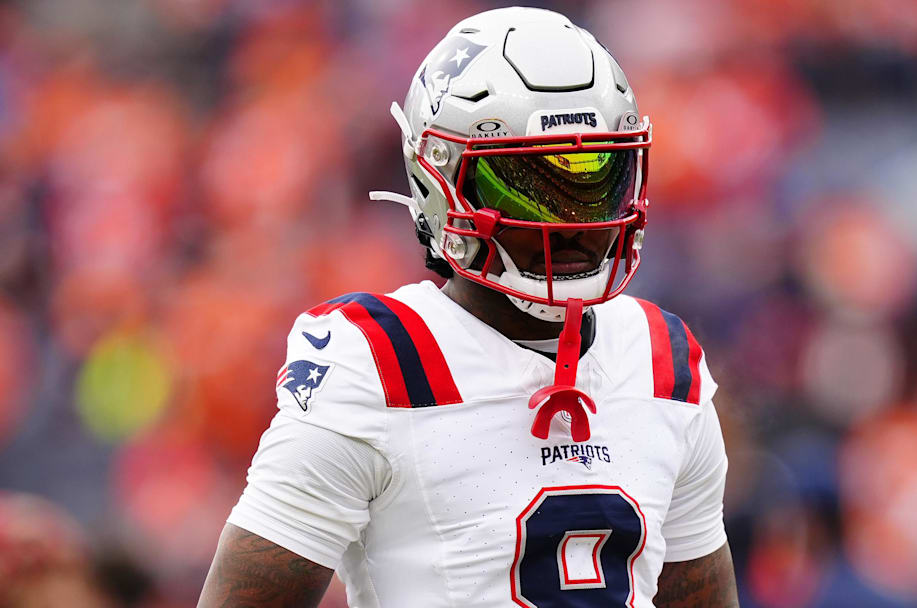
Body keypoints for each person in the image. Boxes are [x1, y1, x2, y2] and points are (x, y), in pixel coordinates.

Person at [198, 7, 738, 607]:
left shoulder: (663, 361)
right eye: (529, 186)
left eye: (597, 182)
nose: (574, 224)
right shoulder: (378, 365)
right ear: (440, 184)